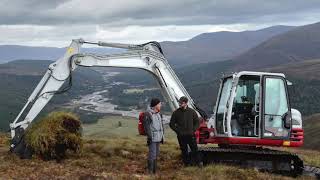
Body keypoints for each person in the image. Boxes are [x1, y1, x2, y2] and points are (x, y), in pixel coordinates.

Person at [169, 96, 201, 166]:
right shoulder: (176, 113)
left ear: (186, 103)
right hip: (181, 136)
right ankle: (186, 165)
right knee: (184, 151)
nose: (180, 104)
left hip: (191, 135)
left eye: (181, 103)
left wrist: (193, 130)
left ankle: (198, 164)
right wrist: (178, 131)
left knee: (195, 150)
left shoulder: (192, 112)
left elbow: (197, 122)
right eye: (179, 103)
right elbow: (171, 124)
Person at [143, 98, 164, 174]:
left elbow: (161, 126)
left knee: (156, 154)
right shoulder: (148, 114)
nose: (160, 105)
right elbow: (147, 127)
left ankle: (154, 171)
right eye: (159, 104)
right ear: (155, 105)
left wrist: (162, 136)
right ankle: (150, 172)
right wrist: (150, 137)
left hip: (158, 137)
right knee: (152, 154)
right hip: (152, 138)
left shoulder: (159, 114)